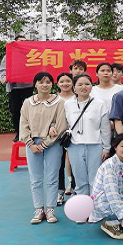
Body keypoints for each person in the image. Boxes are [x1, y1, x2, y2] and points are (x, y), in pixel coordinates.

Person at [19, 72, 67, 224]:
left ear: (52, 84)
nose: (45, 85)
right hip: (32, 144)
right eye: (41, 82)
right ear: (35, 85)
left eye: (48, 82)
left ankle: (50, 209)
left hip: (53, 144)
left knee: (52, 177)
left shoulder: (59, 102)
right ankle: (39, 209)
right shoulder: (28, 102)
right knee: (35, 178)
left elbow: (61, 125)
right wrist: (30, 144)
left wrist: (45, 143)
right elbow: (23, 124)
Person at [64, 74, 111, 202]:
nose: (83, 87)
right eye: (80, 84)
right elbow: (64, 124)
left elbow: (105, 128)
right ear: (74, 87)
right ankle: (83, 206)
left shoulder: (100, 104)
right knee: (80, 180)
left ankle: (95, 207)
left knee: (94, 179)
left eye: (87, 84)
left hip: (95, 146)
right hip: (74, 146)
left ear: (92, 86)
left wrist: (106, 148)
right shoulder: (68, 104)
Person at [89, 133, 123, 240]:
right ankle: (110, 222)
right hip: (105, 204)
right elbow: (112, 194)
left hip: (115, 202)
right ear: (115, 147)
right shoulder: (110, 166)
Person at [0, 35, 34, 141]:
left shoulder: (30, 55)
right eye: (20, 41)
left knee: (30, 111)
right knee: (15, 111)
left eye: (25, 41)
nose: (23, 43)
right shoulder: (8, 56)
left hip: (28, 86)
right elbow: (3, 70)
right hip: (14, 87)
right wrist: (4, 78)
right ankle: (19, 133)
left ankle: (30, 133)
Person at [56, 72, 75, 205]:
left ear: (72, 83)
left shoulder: (78, 97)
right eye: (62, 81)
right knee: (59, 164)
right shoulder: (54, 99)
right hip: (58, 136)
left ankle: (74, 189)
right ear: (57, 84)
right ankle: (60, 191)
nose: (65, 84)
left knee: (75, 164)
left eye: (68, 81)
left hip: (75, 136)